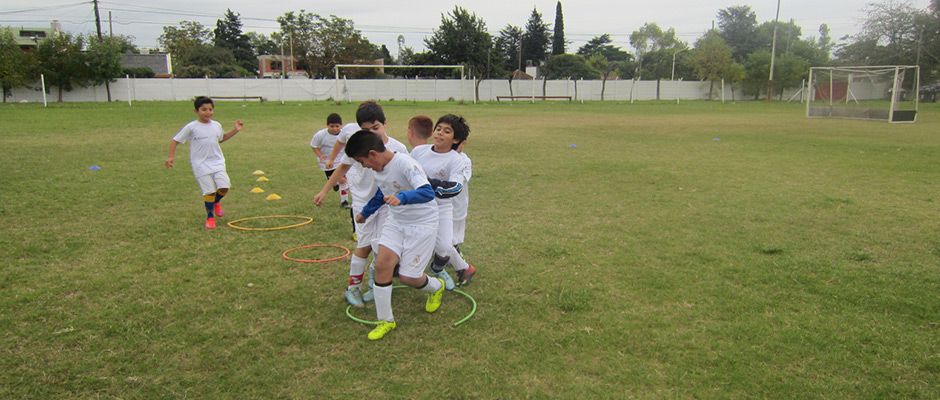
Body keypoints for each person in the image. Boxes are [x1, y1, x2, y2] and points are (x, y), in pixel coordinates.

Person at [346, 130, 444, 340]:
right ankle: (386, 320)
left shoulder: (405, 164)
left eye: (362, 162)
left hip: (422, 223)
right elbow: (382, 193)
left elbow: (427, 192)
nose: (364, 166)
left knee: (409, 277)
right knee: (383, 265)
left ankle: (436, 287)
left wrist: (403, 197)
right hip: (396, 221)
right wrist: (365, 212)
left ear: (373, 154)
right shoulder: (378, 169)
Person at [312, 101, 408, 308]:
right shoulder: (357, 146)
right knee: (363, 246)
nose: (372, 133)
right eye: (366, 130)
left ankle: (375, 283)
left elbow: (406, 176)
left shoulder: (398, 149)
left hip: (387, 205)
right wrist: (324, 190)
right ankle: (353, 288)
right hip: (363, 203)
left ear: (385, 123)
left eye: (376, 127)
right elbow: (342, 168)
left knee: (384, 246)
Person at [410, 114, 476, 289]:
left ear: (456, 139)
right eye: (438, 129)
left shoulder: (457, 160)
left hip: (442, 207)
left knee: (444, 246)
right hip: (419, 207)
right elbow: (407, 172)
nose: (440, 133)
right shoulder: (418, 151)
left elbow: (455, 187)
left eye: (447, 131)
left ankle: (438, 269)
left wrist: (426, 185)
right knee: (419, 240)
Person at [165, 96, 243, 229]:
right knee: (209, 192)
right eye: (204, 109)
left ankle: (216, 202)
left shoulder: (216, 125)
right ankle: (210, 218)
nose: (208, 112)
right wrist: (170, 157)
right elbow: (175, 140)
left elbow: (221, 138)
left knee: (224, 187)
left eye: (210, 109)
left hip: (217, 162)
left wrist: (236, 130)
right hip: (200, 164)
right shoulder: (191, 127)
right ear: (196, 111)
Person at [310, 113, 350, 208]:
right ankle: (334, 183)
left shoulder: (344, 134)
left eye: (337, 126)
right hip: (327, 163)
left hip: (341, 161)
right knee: (338, 181)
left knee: (343, 181)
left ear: (341, 125)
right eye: (332, 126)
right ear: (327, 125)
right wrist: (320, 156)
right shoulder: (320, 135)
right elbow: (314, 146)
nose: (335, 128)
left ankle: (344, 202)